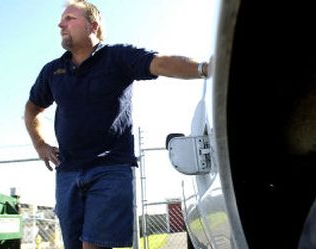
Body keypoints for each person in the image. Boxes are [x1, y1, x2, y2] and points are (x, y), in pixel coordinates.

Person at [24, 1, 209, 249]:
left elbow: (161, 63)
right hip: (67, 172)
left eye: (69, 18)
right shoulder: (52, 71)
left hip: (109, 169)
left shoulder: (118, 57)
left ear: (93, 25)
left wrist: (206, 68)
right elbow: (32, 109)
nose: (60, 24)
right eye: (62, 19)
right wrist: (40, 145)